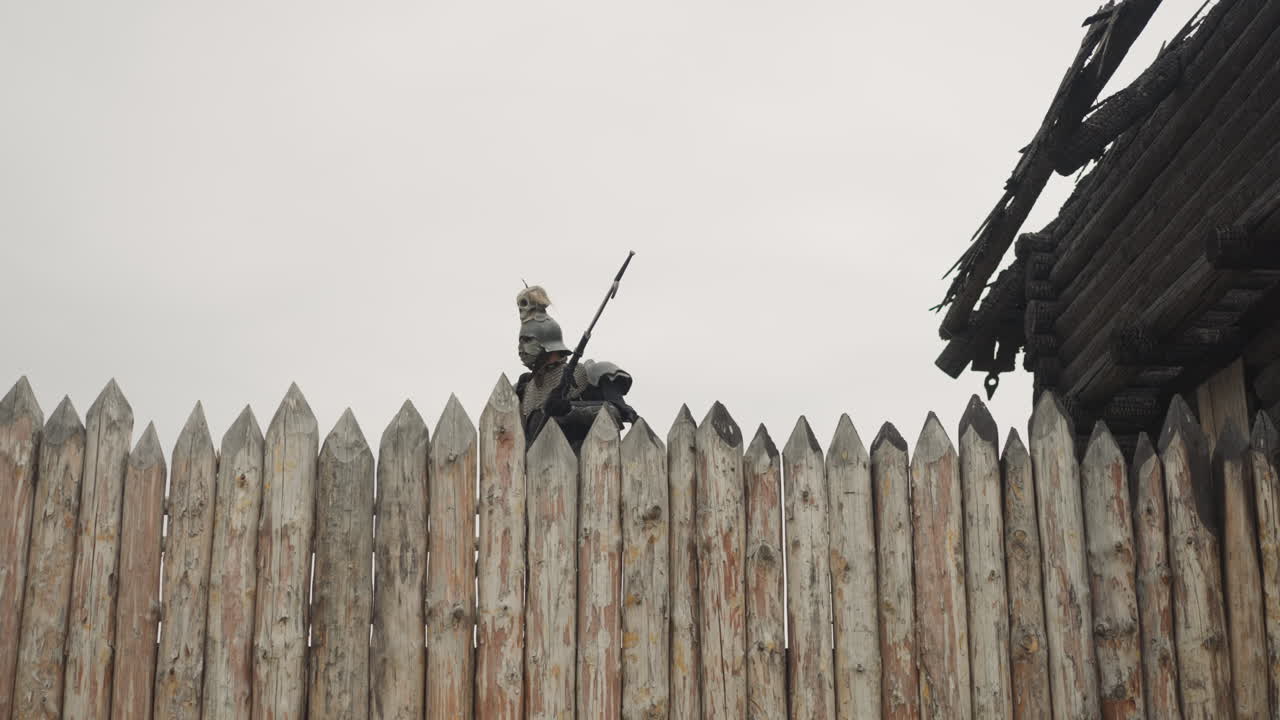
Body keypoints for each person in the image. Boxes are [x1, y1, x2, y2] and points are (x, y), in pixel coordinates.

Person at [514, 285, 637, 451]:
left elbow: (614, 414)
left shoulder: (585, 375)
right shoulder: (522, 390)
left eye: (527, 340)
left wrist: (569, 411)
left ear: (547, 344)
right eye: (520, 341)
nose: (521, 348)